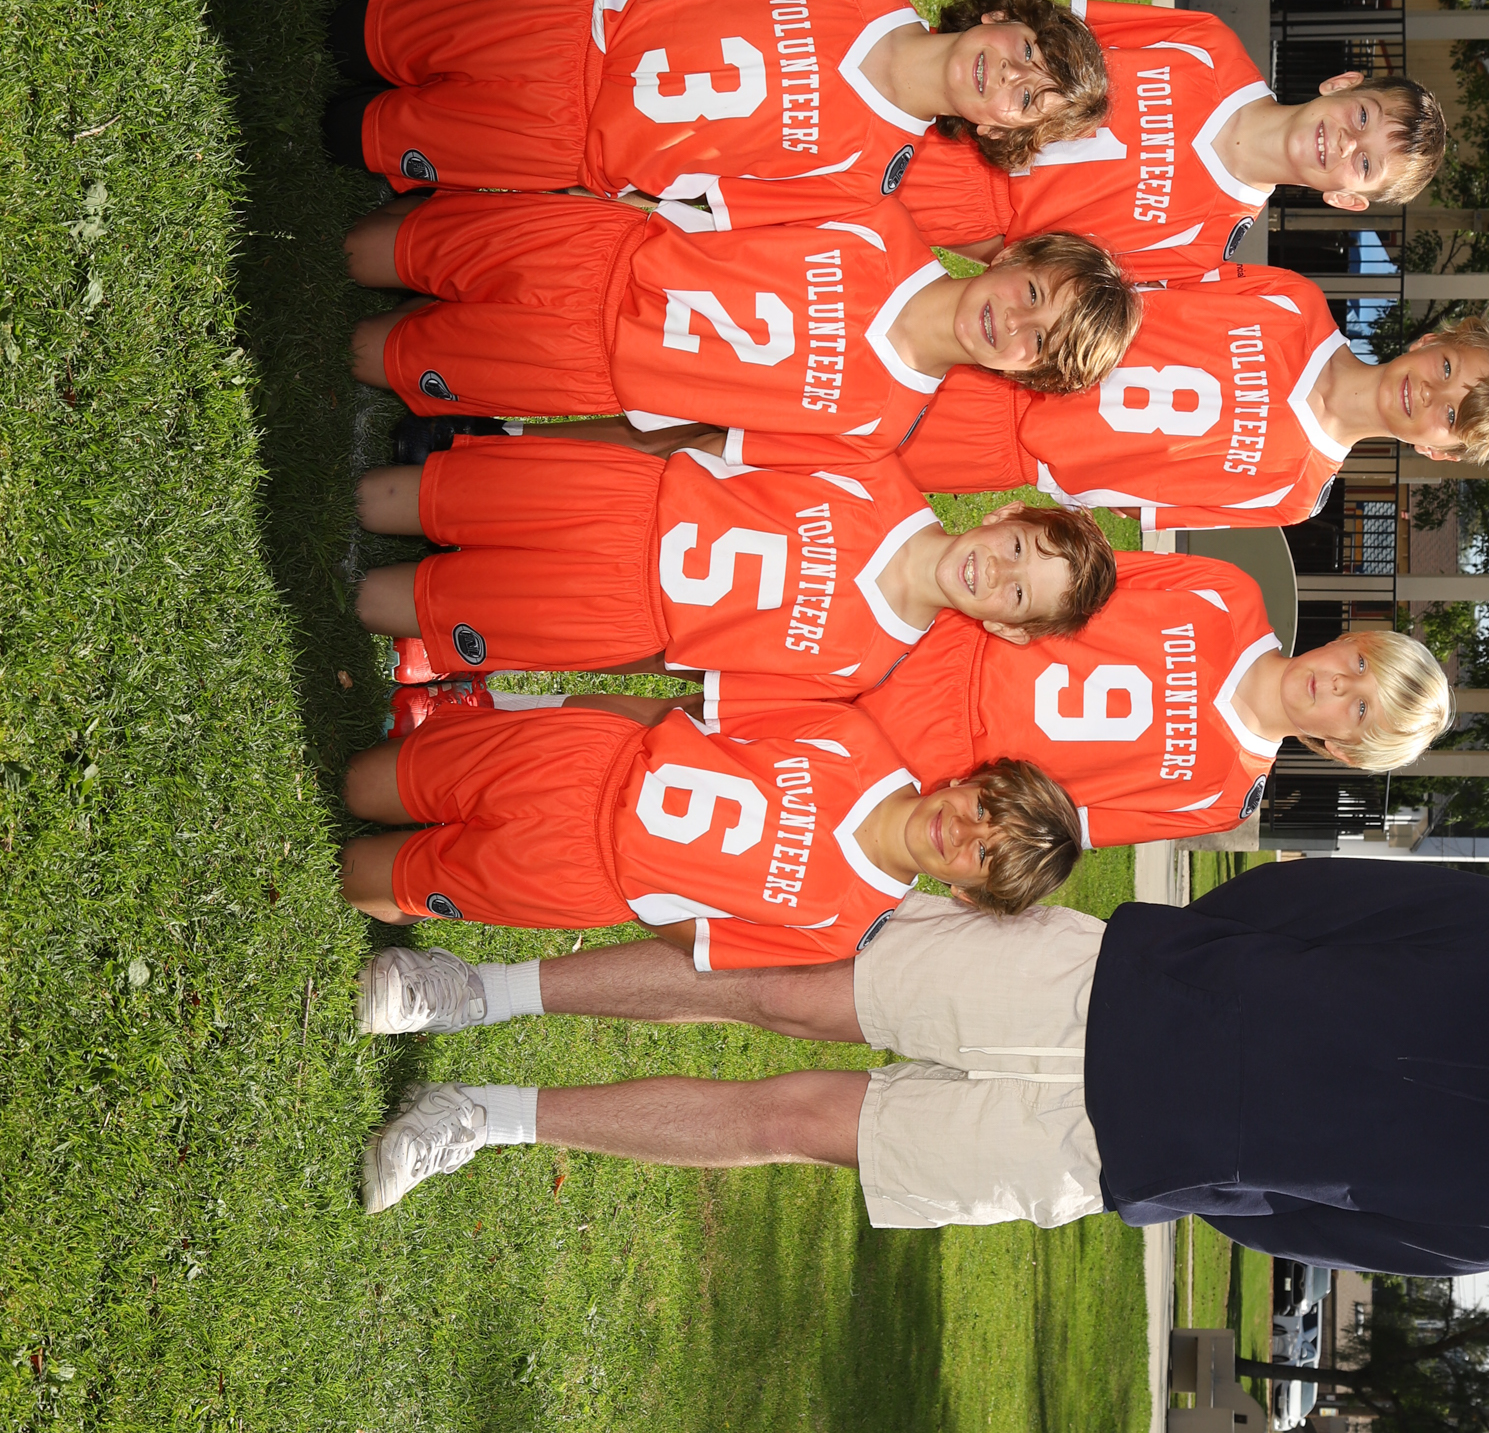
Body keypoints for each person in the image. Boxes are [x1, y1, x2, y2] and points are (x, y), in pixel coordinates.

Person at [350, 857, 1489, 1240]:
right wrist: (1189, 972)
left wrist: (1186, 1166)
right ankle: (475, 990)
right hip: (1093, 988)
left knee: (791, 1122)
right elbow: (1305, 902)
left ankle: (481, 1117)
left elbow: (1305, 1225)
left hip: (1088, 1156)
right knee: (779, 994)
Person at [708, 547, 1455, 847]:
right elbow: (1084, 570)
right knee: (726, 650)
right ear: (1348, 638)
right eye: (1360, 662)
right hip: (943, 642)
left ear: (1342, 749)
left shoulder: (1221, 795)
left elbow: (1071, 826)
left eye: (1359, 708)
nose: (1339, 682)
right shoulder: (1227, 596)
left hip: (938, 763)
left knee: (733, 752)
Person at [340, 683, 1079, 971]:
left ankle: (410, 876)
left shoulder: (846, 924)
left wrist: (637, 886)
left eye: (983, 857)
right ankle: (457, 727)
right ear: (971, 779)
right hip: (586, 761)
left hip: (582, 875)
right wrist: (575, 717)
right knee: (362, 785)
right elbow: (690, 713)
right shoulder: (854, 739)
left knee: (363, 878)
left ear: (967, 894)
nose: (963, 831)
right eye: (984, 810)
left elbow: (702, 938)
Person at [661, 0, 1448, 264]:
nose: (1347, 144)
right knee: (731, 135)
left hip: (948, 212)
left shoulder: (1207, 245)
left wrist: (950, 230)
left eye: (1366, 165)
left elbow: (1035, 262)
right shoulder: (1206, 44)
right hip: (937, 115)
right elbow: (1048, 33)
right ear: (1343, 85)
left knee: (725, 231)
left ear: (1348, 200)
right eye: (1363, 118)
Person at [321, 0, 1108, 203]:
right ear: (999, 17)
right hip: (572, 32)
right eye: (1028, 52)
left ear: (998, 133)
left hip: (574, 144)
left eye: (1027, 100)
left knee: (347, 132)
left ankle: (441, 157)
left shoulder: (867, 175)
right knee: (350, 30)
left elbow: (704, 206)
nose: (1011, 76)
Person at [342, 194, 1140, 451]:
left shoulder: (879, 425)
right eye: (1033, 292)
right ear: (1017, 256)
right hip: (597, 254)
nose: (1015, 322)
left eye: (1039, 343)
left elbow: (687, 437)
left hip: (582, 367)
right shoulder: (878, 224)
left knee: (367, 354)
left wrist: (517, 442)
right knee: (366, 253)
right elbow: (692, 195)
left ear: (1027, 378)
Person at [349, 436, 1119, 688]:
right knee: (388, 501)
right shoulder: (877, 472)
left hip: (619, 614)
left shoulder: (867, 665)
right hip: (625, 500)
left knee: (379, 601)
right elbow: (715, 443)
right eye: (1017, 550)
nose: (997, 572)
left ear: (1006, 630)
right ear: (1005, 515)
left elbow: (694, 667)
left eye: (1018, 595)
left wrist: (593, 648)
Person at [897, 285, 1489, 530]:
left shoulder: (1294, 497)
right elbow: (1145, 287)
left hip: (1003, 455)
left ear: (1438, 450)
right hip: (1011, 351)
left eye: (1451, 416)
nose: (1432, 393)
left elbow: (1141, 508)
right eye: (1447, 370)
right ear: (1430, 342)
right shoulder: (1294, 305)